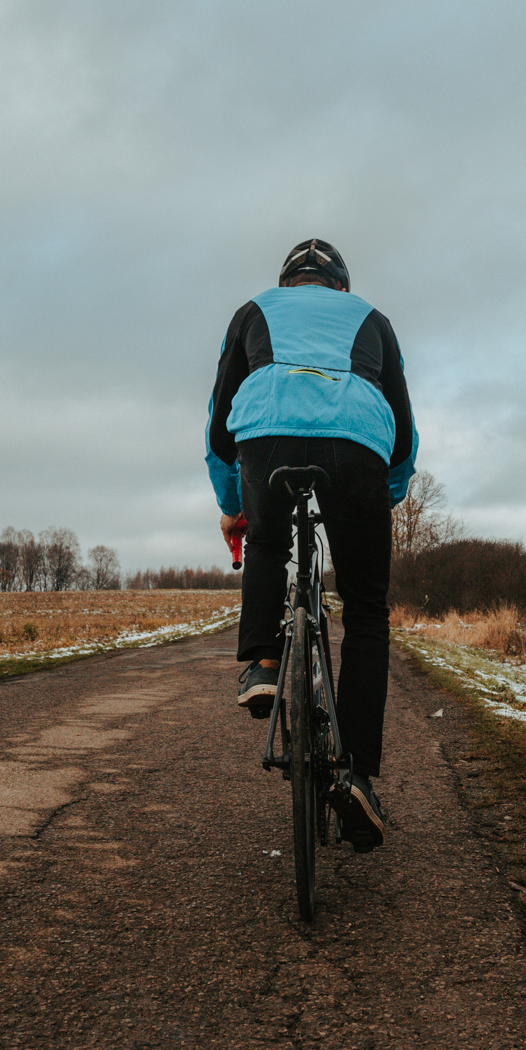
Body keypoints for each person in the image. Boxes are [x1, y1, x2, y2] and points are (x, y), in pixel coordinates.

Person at [204, 238, 417, 849]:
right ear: (339, 287)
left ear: (287, 282)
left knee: (269, 545)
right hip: (356, 447)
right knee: (367, 609)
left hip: (265, 436)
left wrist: (233, 508)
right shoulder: (373, 319)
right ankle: (356, 776)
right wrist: (386, 496)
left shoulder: (252, 310)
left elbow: (220, 422)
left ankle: (263, 665)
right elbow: (402, 429)